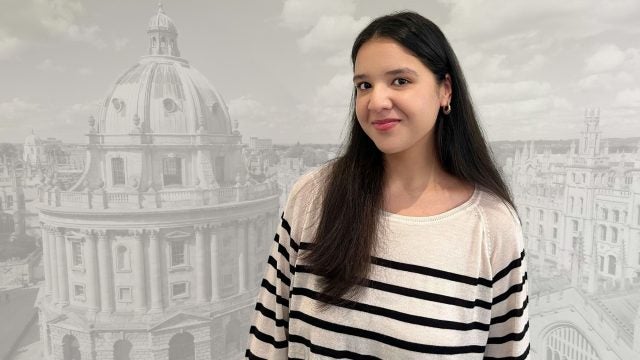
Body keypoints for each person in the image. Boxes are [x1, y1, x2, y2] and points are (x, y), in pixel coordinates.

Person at [246, 11, 529, 359]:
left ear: (445, 89)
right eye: (364, 85)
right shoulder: (312, 197)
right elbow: (268, 340)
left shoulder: (492, 226)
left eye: (399, 81)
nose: (376, 101)